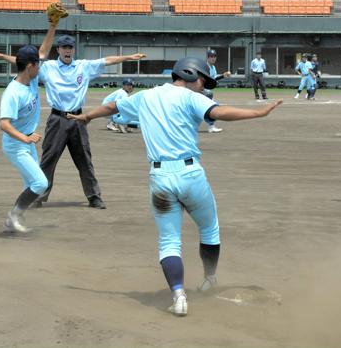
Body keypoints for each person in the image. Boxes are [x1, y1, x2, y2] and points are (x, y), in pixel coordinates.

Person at [68, 57, 282, 317]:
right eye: (203, 80)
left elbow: (112, 106)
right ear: (190, 74)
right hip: (190, 174)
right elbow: (219, 112)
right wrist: (259, 113)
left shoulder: (145, 97)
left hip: (159, 178)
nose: (203, 86)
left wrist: (88, 115)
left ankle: (178, 296)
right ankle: (209, 280)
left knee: (169, 241)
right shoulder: (189, 97)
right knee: (209, 228)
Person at [0, 21, 145, 210]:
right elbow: (23, 62)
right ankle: (38, 195)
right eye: (64, 47)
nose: (67, 51)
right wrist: (2, 56)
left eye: (70, 47)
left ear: (73, 50)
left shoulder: (83, 67)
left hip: (78, 119)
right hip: (57, 119)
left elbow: (107, 60)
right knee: (48, 158)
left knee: (84, 159)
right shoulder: (48, 67)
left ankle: (94, 196)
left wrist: (129, 57)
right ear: (58, 50)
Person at [0, 45, 48, 233]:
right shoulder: (12, 93)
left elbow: (42, 52)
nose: (40, 68)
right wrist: (25, 138)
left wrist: (52, 26)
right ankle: (14, 216)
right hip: (15, 146)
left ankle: (14, 218)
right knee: (40, 183)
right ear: (29, 66)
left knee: (33, 187)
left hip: (26, 144)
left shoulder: (32, 81)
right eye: (38, 64)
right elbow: (4, 124)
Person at [204, 49, 231, 133]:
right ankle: (211, 126)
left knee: (212, 107)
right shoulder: (205, 67)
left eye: (214, 56)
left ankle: (211, 126)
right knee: (214, 107)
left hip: (206, 91)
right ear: (208, 57)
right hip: (202, 91)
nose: (213, 58)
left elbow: (214, 78)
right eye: (211, 56)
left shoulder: (213, 67)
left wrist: (223, 75)